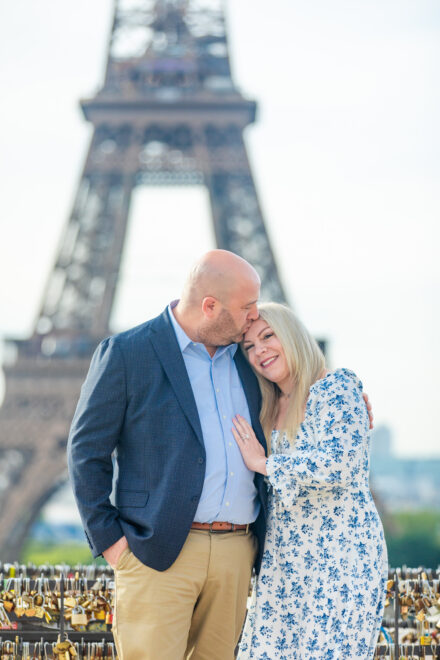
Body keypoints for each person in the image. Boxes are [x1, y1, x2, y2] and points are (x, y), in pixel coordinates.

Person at [67, 250, 269, 660]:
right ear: (210, 306)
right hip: (155, 551)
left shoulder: (250, 358)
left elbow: (297, 385)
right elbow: (86, 451)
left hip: (236, 552)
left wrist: (344, 397)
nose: (255, 316)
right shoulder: (126, 353)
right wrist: (113, 545)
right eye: (247, 307)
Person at [232, 302, 387, 660]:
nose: (260, 351)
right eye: (249, 347)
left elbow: (339, 464)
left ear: (292, 334)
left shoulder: (334, 388)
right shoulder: (266, 405)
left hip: (342, 560)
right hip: (284, 562)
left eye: (268, 336)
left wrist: (265, 463)